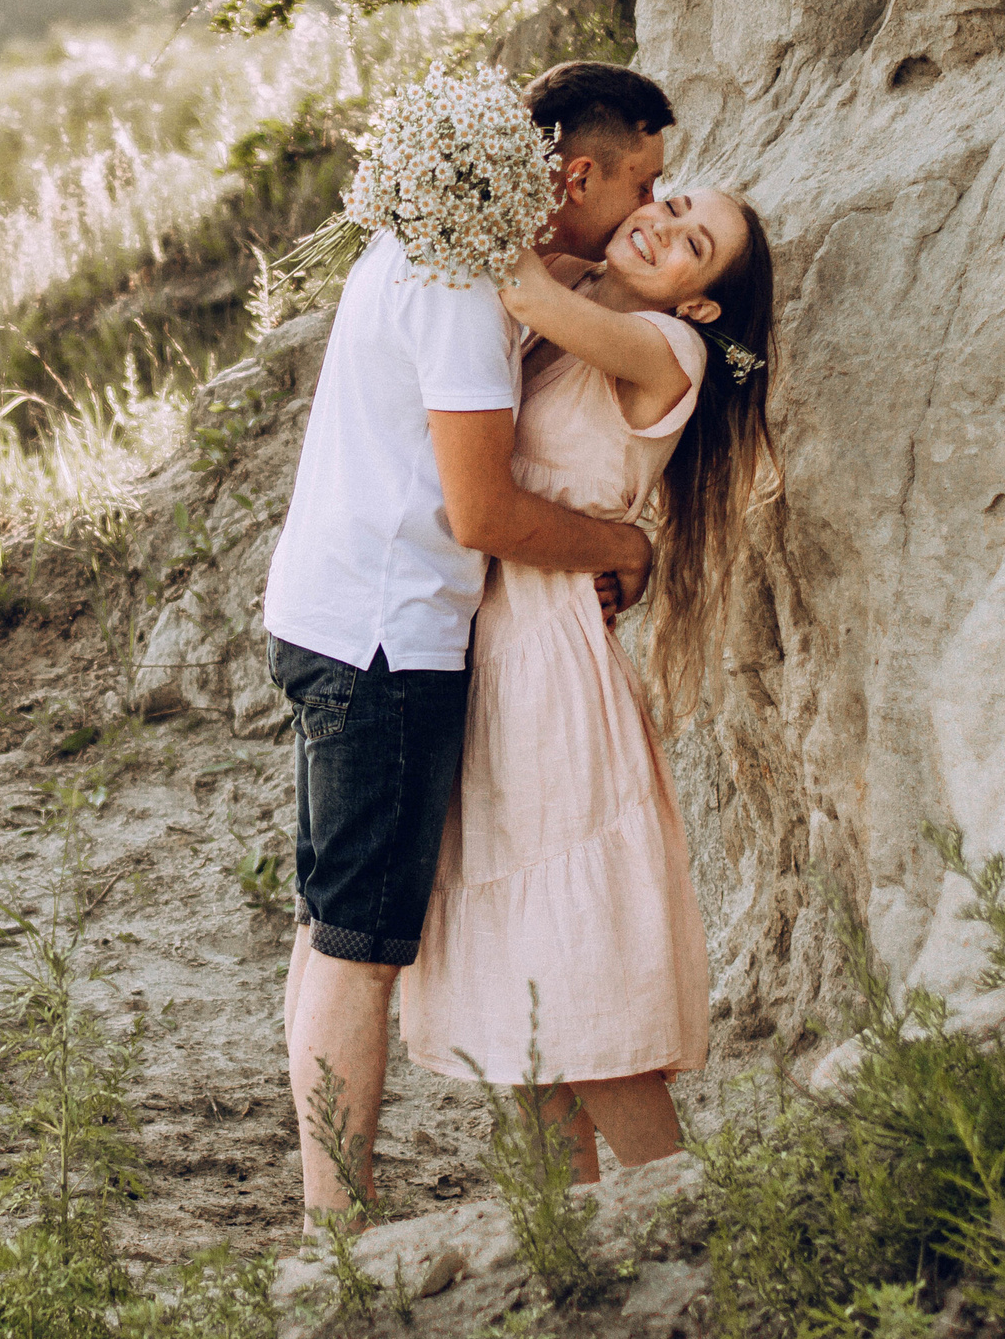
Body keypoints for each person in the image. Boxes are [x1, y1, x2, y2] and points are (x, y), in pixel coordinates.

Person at [261, 61, 678, 1224]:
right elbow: (480, 514)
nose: (652, 201)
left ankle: (326, 1217)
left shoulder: (435, 247)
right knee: (360, 946)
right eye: (643, 178)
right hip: (385, 641)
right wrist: (619, 545)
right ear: (578, 173)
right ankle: (335, 1231)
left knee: (329, 924)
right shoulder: (455, 286)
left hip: (329, 612)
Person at [397, 154, 778, 1178]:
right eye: (669, 204)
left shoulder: (669, 350)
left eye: (689, 242)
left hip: (546, 658)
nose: (659, 224)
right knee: (523, 1024)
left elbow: (509, 277)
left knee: (575, 976)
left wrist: (455, 164)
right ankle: (562, 1263)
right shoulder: (569, 309)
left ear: (696, 299)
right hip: (484, 640)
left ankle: (698, 1222)